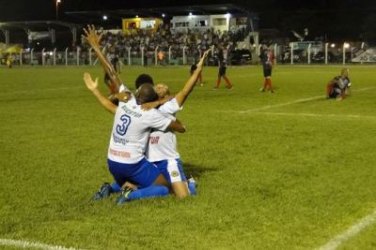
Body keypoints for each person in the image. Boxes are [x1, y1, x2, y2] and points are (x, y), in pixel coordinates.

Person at [83, 73, 186, 204]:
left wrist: (95, 90)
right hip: (132, 163)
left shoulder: (125, 102)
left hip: (112, 161)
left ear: (137, 94)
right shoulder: (150, 114)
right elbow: (181, 127)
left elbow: (112, 78)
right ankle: (129, 195)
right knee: (164, 187)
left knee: (133, 179)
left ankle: (109, 188)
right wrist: (159, 103)